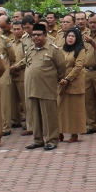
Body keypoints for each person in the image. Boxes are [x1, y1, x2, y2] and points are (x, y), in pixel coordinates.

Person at [24, 23, 67, 151]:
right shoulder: (30, 49)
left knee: (49, 115)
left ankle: (52, 140)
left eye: (38, 35)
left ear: (45, 35)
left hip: (47, 87)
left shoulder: (53, 49)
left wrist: (55, 80)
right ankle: (37, 140)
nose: (36, 37)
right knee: (34, 116)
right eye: (33, 35)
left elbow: (61, 67)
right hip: (32, 88)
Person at [57, 28, 86, 143]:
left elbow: (78, 67)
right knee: (60, 109)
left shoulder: (80, 50)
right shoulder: (61, 49)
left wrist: (68, 79)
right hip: (61, 83)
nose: (70, 38)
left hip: (74, 83)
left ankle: (74, 133)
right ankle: (59, 132)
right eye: (68, 36)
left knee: (74, 109)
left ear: (77, 38)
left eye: (73, 36)